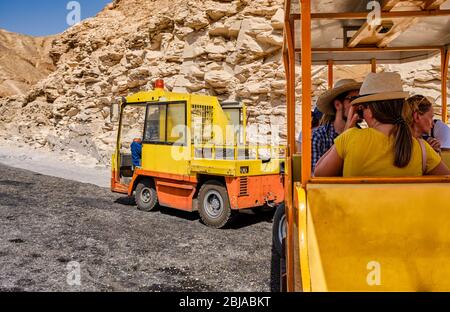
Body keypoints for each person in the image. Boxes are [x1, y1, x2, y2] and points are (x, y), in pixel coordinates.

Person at [314, 72, 450, 177]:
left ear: (371, 111)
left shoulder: (350, 138)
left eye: (362, 108)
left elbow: (319, 173)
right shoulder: (421, 147)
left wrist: (346, 131)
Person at [311, 79, 362, 171]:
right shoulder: (318, 136)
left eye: (361, 100)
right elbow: (315, 176)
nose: (360, 105)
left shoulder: (364, 136)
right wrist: (345, 137)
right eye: (354, 100)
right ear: (338, 105)